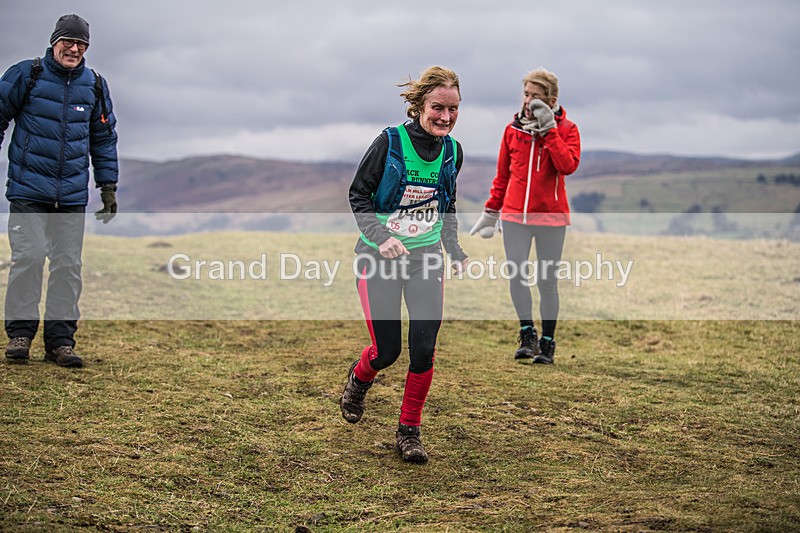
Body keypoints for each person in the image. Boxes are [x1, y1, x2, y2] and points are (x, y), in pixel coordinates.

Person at [340, 66, 468, 464]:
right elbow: (358, 195)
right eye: (437, 107)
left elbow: (446, 205)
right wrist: (382, 238)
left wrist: (454, 249)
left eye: (453, 109)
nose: (445, 117)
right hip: (378, 260)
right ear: (419, 106)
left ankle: (409, 431)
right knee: (387, 351)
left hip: (426, 260)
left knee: (425, 349)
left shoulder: (452, 151)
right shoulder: (390, 142)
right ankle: (360, 378)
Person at [0, 14, 119, 368]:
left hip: (70, 195)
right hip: (27, 189)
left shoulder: (95, 85)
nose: (75, 48)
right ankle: (20, 334)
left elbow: (104, 138)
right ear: (55, 41)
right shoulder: (27, 74)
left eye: (81, 43)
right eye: (68, 41)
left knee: (68, 266)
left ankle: (61, 342)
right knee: (31, 257)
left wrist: (108, 187)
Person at [470, 68, 580, 365]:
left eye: (536, 96)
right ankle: (527, 334)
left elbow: (567, 165)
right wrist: (491, 212)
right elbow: (502, 175)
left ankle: (547, 343)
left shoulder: (567, 129)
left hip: (551, 218)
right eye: (527, 94)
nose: (529, 101)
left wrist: (549, 131)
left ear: (551, 99)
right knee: (517, 276)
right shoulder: (512, 130)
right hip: (515, 217)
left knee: (547, 282)